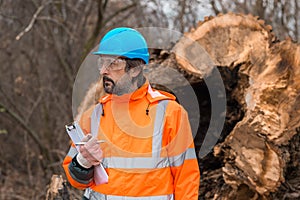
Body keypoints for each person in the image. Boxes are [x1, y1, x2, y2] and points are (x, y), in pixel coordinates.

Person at [62, 27, 200, 200]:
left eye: (113, 63)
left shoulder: (170, 113)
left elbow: (186, 180)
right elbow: (75, 180)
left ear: (135, 69)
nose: (103, 70)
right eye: (102, 63)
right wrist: (83, 162)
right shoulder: (93, 116)